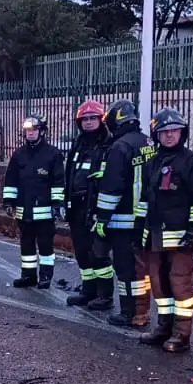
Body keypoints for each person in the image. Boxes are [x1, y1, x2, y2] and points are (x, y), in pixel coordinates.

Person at [137, 107, 193, 352]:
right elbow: (145, 199)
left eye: (174, 131)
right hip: (155, 237)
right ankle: (163, 328)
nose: (169, 135)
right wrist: (140, 228)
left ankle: (182, 335)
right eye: (164, 132)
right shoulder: (152, 162)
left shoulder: (192, 163)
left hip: (180, 237)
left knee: (180, 285)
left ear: (182, 133)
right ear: (156, 135)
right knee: (159, 285)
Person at [92, 99, 153, 327]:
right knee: (141, 268)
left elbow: (112, 188)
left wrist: (102, 219)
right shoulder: (148, 142)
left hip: (123, 221)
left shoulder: (119, 147)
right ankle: (141, 310)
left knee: (125, 269)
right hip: (145, 218)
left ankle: (128, 312)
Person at [1, 116, 64, 288]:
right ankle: (28, 276)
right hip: (24, 211)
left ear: (42, 132)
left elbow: (59, 181)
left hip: (44, 212)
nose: (30, 134)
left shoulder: (53, 154)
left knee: (45, 246)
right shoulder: (19, 155)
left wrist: (57, 204)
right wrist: (8, 202)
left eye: (34, 130)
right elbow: (11, 180)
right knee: (26, 245)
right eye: (28, 131)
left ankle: (45, 276)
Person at [63, 99, 112, 307]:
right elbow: (69, 175)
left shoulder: (108, 146)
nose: (89, 122)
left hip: (95, 206)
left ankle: (105, 295)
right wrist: (65, 202)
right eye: (85, 119)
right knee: (82, 251)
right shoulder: (78, 145)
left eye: (93, 118)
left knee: (97, 253)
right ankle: (88, 290)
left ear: (101, 120)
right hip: (77, 205)